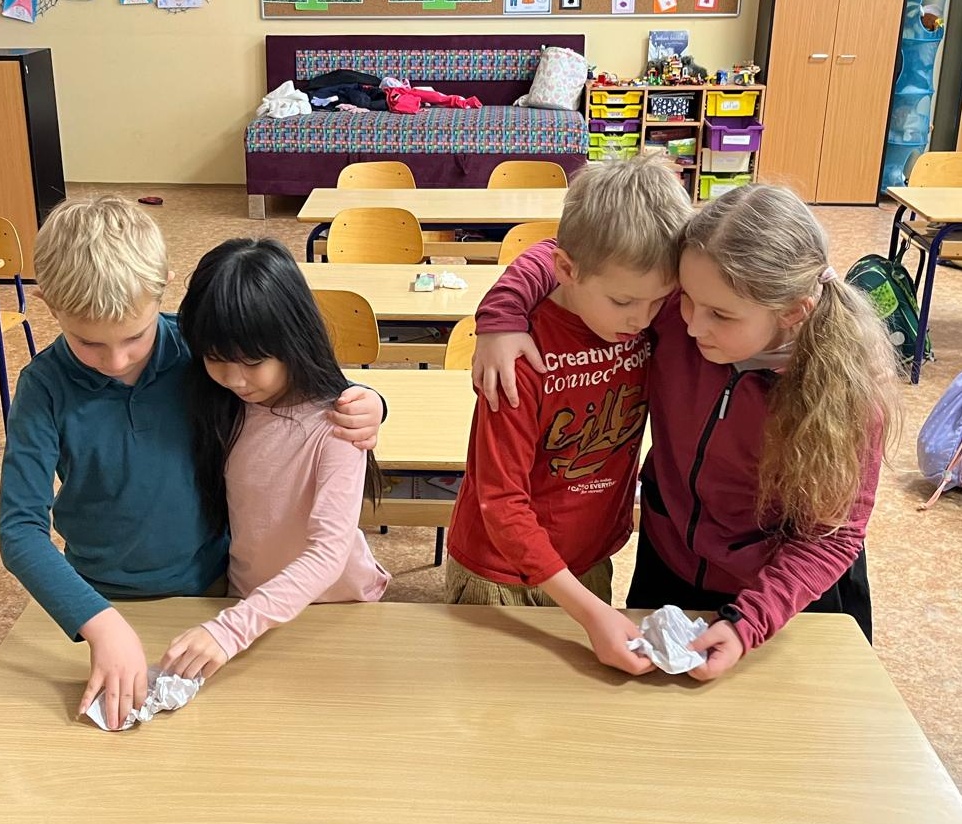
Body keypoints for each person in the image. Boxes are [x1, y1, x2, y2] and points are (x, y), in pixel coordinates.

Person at [472, 184, 900, 680]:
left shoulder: (848, 392)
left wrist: (748, 622)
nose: (692, 325)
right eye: (687, 300)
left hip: (780, 596)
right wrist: (500, 316)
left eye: (720, 314)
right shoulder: (677, 311)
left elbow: (832, 539)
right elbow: (580, 252)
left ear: (793, 312)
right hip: (668, 568)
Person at [0, 197, 385, 730]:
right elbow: (19, 530)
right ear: (47, 304)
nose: (116, 360)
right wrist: (98, 622)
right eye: (88, 342)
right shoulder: (43, 388)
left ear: (164, 288)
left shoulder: (200, 351)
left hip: (213, 592)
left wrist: (369, 400)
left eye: (134, 336)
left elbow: (290, 380)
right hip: (100, 598)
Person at [446, 156, 695, 675]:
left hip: (587, 563)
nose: (641, 319)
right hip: (500, 575)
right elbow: (501, 501)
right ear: (566, 270)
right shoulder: (520, 355)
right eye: (623, 301)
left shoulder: (647, 318)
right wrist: (589, 612)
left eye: (659, 301)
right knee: (490, 705)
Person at [159, 239, 390, 678]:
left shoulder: (337, 423)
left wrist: (231, 630)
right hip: (251, 605)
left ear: (293, 340)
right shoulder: (223, 403)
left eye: (252, 361)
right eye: (215, 359)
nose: (234, 379)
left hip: (335, 610)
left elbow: (329, 551)